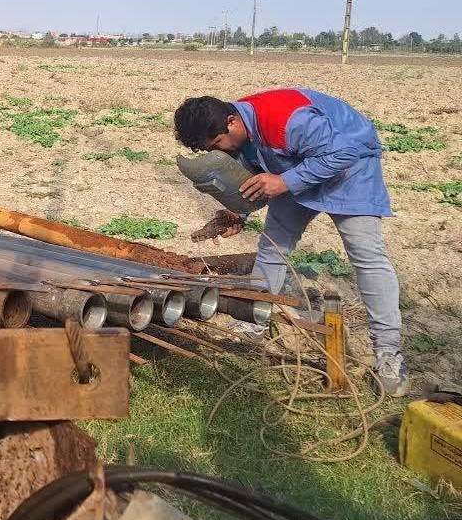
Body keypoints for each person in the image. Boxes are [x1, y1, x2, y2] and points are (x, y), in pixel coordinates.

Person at [173, 88, 409, 397]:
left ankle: (389, 356)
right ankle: (255, 321)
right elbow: (251, 173)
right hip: (294, 171)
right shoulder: (239, 133)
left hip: (349, 172)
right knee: (271, 248)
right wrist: (237, 212)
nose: (221, 151)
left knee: (367, 259)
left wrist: (285, 182)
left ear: (231, 122)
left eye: (218, 144)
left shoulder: (287, 119)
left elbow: (345, 152)